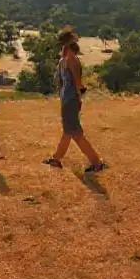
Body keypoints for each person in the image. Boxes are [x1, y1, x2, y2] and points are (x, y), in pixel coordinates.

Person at [44, 27, 107, 173]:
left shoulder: (69, 60)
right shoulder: (66, 60)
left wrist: (79, 95)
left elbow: (76, 83)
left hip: (70, 100)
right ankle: (57, 159)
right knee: (69, 131)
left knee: (75, 133)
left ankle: (96, 162)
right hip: (69, 99)